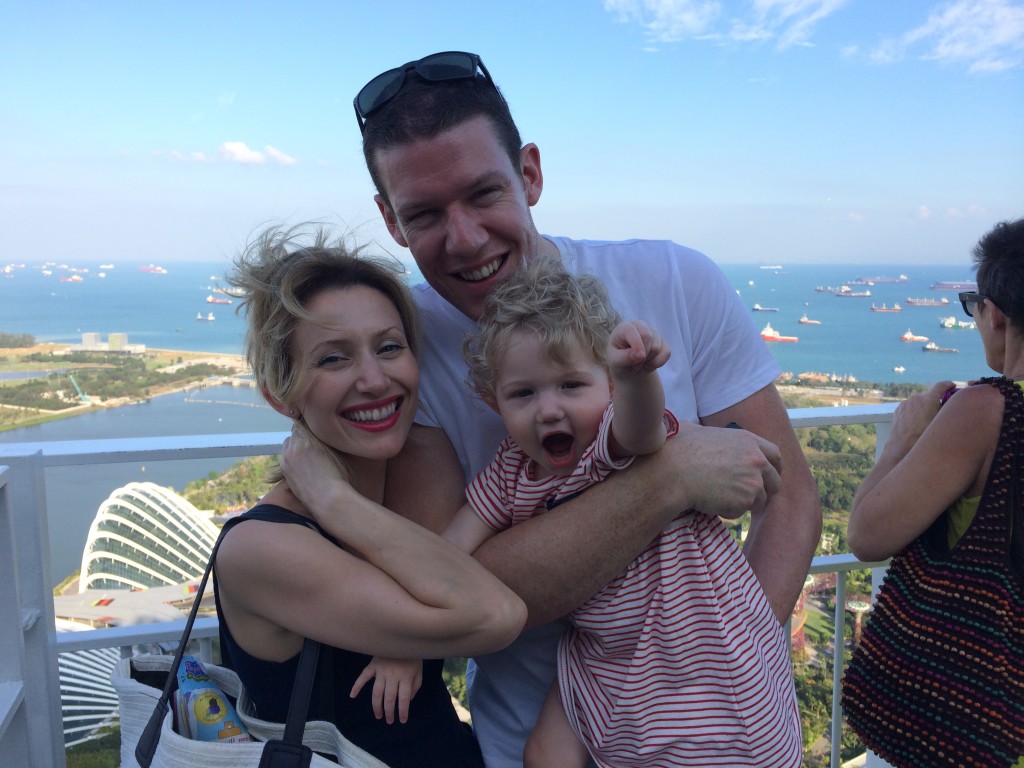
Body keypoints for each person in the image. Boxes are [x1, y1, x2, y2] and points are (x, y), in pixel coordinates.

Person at [353, 51, 822, 765]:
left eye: (485, 194)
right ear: (390, 220)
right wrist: (667, 480)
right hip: (538, 736)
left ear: (531, 174)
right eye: (424, 214)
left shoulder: (675, 279)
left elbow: (790, 500)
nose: (467, 238)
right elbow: (464, 590)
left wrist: (718, 671)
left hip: (724, 733)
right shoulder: (402, 350)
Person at [212, 225, 527, 768]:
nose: (375, 380)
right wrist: (335, 503)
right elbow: (493, 614)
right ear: (280, 394)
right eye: (333, 359)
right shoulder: (260, 549)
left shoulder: (424, 461)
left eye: (389, 347)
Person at [844, 217, 1024, 766]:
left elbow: (866, 534)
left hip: (958, 723)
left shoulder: (987, 410)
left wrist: (902, 437)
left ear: (994, 313)